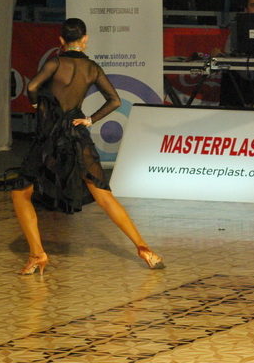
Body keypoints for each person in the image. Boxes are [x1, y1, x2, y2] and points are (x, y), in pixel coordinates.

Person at [12, 18, 164, 275]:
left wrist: (37, 104)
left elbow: (33, 86)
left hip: (50, 136)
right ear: (85, 39)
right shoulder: (92, 68)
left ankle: (37, 254)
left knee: (20, 193)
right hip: (76, 133)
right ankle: (145, 249)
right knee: (103, 195)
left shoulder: (55, 63)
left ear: (61, 40)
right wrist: (91, 119)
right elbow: (115, 100)